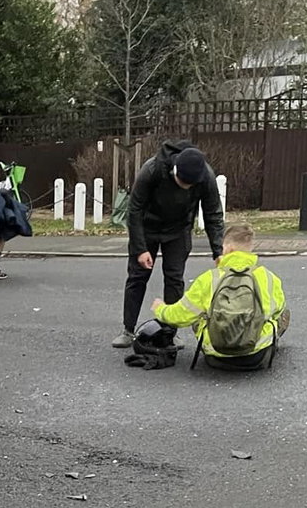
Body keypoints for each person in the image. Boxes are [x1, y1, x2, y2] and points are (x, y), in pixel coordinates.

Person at [115, 140, 224, 348]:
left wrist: (218, 251)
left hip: (179, 230)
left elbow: (213, 214)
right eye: (183, 183)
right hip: (148, 227)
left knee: (174, 279)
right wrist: (140, 249)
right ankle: (128, 330)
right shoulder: (153, 169)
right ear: (174, 171)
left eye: (190, 185)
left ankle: (170, 331)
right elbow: (134, 210)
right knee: (137, 277)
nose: (187, 187)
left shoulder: (204, 176)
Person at [153, 221, 289, 369]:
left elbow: (179, 316)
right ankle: (266, 344)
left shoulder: (210, 278)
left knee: (198, 316)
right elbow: (278, 309)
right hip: (256, 355)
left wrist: (160, 309)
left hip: (216, 356)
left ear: (229, 248)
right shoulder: (268, 277)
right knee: (282, 314)